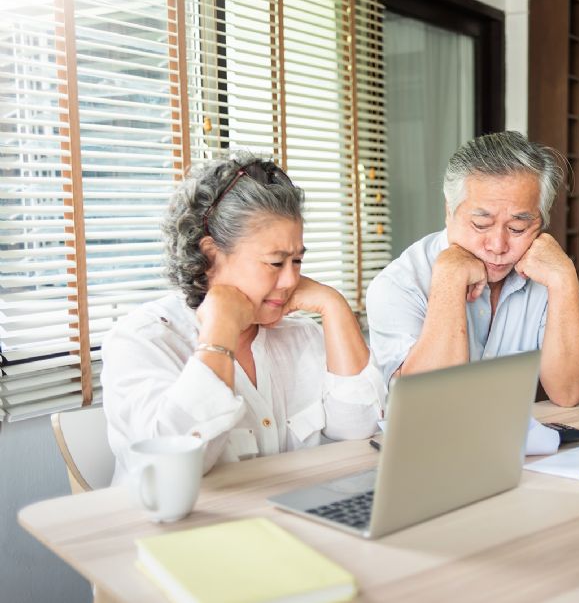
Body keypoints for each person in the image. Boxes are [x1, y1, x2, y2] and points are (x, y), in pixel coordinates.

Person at [102, 155, 385, 483]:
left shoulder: (301, 336)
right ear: (210, 255)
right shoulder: (142, 341)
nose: (292, 280)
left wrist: (333, 304)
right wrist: (220, 328)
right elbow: (175, 469)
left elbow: (358, 429)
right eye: (276, 263)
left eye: (297, 261)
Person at [366, 131, 579, 408]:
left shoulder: (545, 272)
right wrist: (449, 280)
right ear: (449, 211)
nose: (498, 245)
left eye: (517, 228)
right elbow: (427, 406)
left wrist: (564, 279)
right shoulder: (398, 283)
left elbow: (568, 392)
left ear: (541, 221)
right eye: (481, 225)